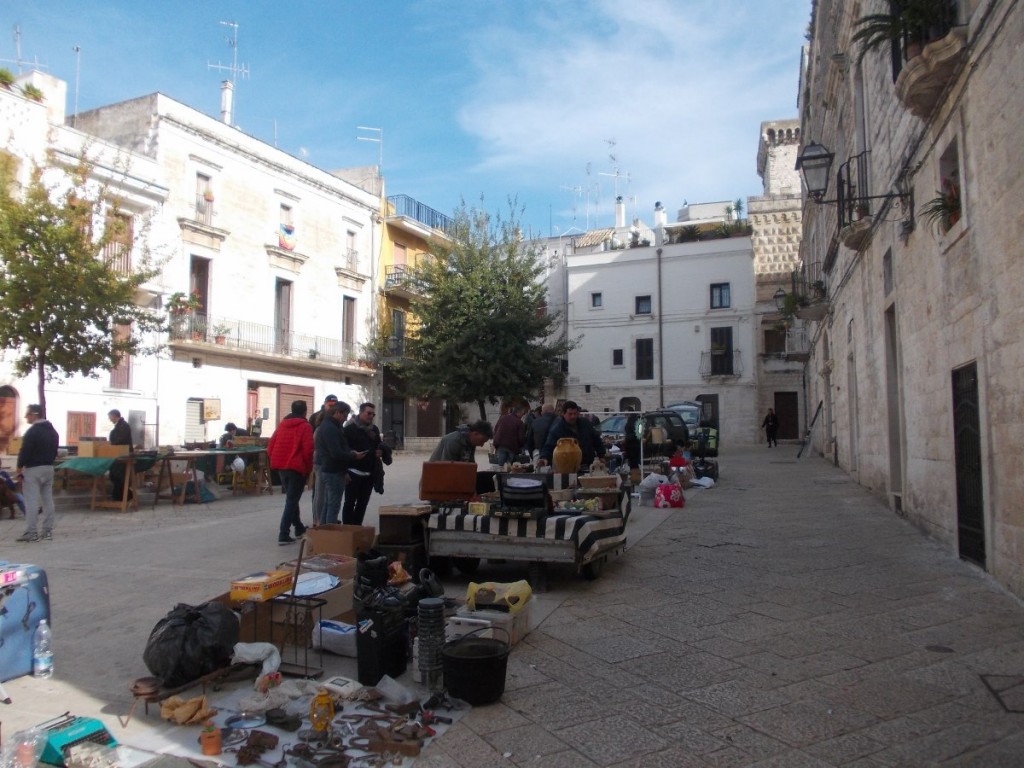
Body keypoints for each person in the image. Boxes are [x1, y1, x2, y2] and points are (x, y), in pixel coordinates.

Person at [267, 400, 314, 545]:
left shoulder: (282, 425)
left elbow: (270, 447)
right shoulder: (305, 427)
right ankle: (283, 533)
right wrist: (308, 468)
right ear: (305, 411)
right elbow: (308, 450)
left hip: (281, 467)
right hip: (296, 467)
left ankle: (298, 527)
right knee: (292, 501)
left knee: (291, 499)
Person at [313, 402, 365, 525]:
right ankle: (330, 534)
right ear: (337, 413)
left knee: (328, 503)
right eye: (345, 415)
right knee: (333, 506)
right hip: (333, 471)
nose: (346, 418)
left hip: (331, 469)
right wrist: (353, 455)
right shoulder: (330, 428)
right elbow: (336, 452)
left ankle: (324, 530)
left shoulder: (329, 426)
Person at [343, 402, 392, 526]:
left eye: (373, 414)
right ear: (360, 412)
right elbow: (342, 451)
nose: (371, 416)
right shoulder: (349, 429)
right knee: (349, 503)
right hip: (353, 472)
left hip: (369, 474)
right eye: (368, 413)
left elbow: (377, 447)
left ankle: (357, 528)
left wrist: (380, 452)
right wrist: (344, 471)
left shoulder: (374, 430)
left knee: (362, 504)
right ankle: (348, 530)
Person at [15, 404, 59, 542]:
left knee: (31, 501)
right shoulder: (53, 432)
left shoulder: (32, 432)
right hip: (48, 467)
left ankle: (31, 532)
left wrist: (19, 468)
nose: (26, 417)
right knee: (48, 500)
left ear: (34, 414)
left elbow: (25, 451)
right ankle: (47, 532)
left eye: (27, 414)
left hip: (33, 469)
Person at [537, 400, 606, 470]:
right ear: (563, 414)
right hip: (568, 468)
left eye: (575, 413)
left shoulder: (585, 424)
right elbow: (548, 447)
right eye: (570, 414)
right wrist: (544, 458)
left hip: (589, 466)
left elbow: (597, 440)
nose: (573, 416)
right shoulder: (557, 430)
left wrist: (602, 455)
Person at [107, 408, 135, 501]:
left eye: (110, 417)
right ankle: (122, 496)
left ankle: (125, 496)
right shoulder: (120, 426)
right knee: (114, 476)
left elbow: (120, 441)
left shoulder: (124, 426)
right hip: (118, 455)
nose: (110, 419)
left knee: (119, 476)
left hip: (123, 455)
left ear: (115, 416)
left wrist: (111, 444)